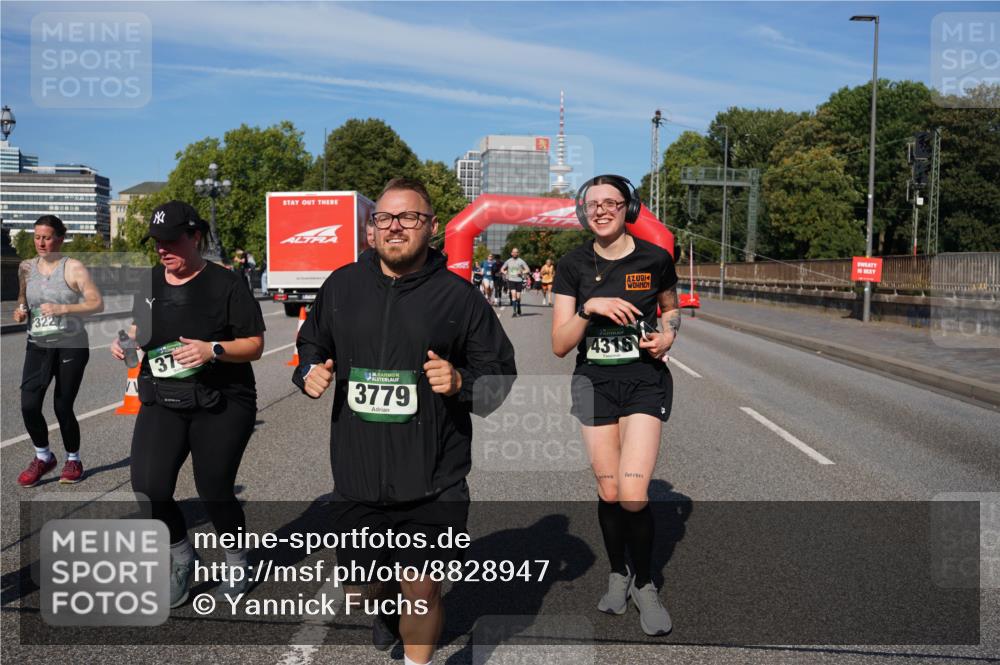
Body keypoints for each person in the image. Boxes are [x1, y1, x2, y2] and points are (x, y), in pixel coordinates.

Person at [292, 178, 516, 665]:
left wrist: (462, 383)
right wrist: (307, 370)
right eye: (384, 218)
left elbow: (500, 373)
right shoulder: (341, 286)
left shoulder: (459, 299)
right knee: (362, 593)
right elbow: (312, 344)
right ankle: (383, 607)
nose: (395, 227)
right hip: (357, 475)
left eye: (409, 217)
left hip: (434, 478)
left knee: (422, 592)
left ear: (431, 227)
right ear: (371, 229)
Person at [111, 201, 266, 608]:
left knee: (214, 488)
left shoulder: (227, 283)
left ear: (195, 237)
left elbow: (254, 346)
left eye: (172, 240)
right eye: (158, 242)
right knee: (149, 488)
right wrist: (125, 342)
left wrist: (211, 349)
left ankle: (237, 561)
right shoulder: (149, 284)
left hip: (223, 401)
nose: (163, 248)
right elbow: (137, 332)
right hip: (164, 397)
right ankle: (183, 558)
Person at [550, 175, 679, 636]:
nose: (601, 210)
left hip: (644, 383)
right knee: (609, 493)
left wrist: (668, 335)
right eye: (593, 204)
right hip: (594, 385)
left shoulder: (655, 258)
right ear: (583, 211)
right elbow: (560, 345)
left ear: (630, 208)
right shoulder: (572, 265)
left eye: (612, 202)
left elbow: (669, 307)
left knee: (633, 494)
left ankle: (645, 584)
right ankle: (617, 573)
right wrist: (591, 308)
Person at [13, 215, 104, 487]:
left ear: (60, 238)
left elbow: (97, 303)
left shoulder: (73, 267)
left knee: (62, 406)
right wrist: (20, 311)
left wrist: (64, 308)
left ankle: (73, 459)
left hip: (71, 343)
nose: (41, 242)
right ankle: (43, 456)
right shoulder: (26, 267)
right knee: (29, 405)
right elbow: (23, 297)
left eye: (47, 237)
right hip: (38, 343)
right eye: (37, 237)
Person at [500, 247, 530, 317]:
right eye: (513, 252)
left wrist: (522, 272)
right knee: (513, 295)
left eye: (516, 252)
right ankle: (514, 312)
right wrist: (504, 272)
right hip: (511, 280)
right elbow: (502, 269)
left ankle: (519, 307)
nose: (515, 253)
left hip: (519, 280)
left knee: (518, 297)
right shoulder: (508, 261)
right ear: (511, 253)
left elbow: (527, 269)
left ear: (518, 253)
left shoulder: (521, 261)